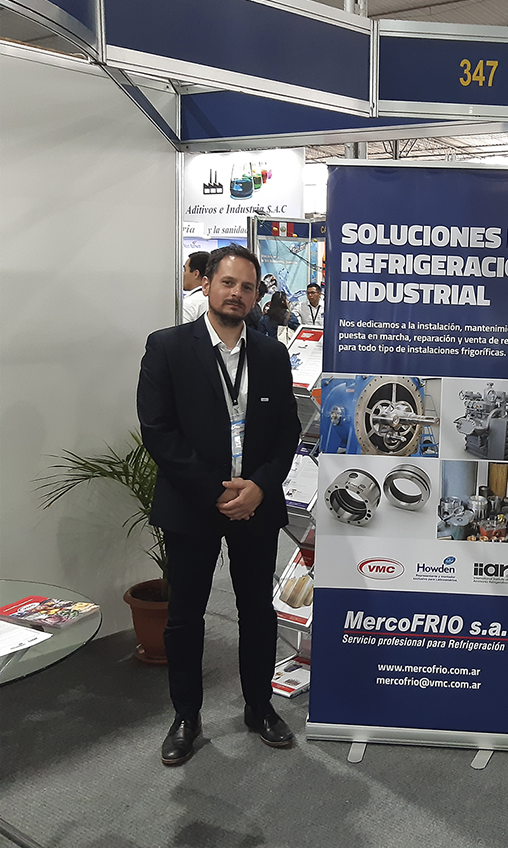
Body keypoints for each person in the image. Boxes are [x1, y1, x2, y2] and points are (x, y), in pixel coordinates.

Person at [137, 244, 301, 766]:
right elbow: (158, 431)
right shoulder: (167, 347)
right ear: (206, 284)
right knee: (186, 616)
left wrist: (259, 487)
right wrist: (216, 491)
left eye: (247, 287)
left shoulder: (272, 353)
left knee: (257, 610)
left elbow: (288, 431)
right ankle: (186, 715)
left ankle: (259, 706)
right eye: (228, 283)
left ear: (256, 295)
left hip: (256, 504)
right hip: (192, 505)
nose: (237, 293)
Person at [181, 251, 209, 323]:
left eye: (185, 270)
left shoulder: (188, 304)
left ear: (196, 274)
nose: (182, 274)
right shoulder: (218, 301)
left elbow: (183, 329)